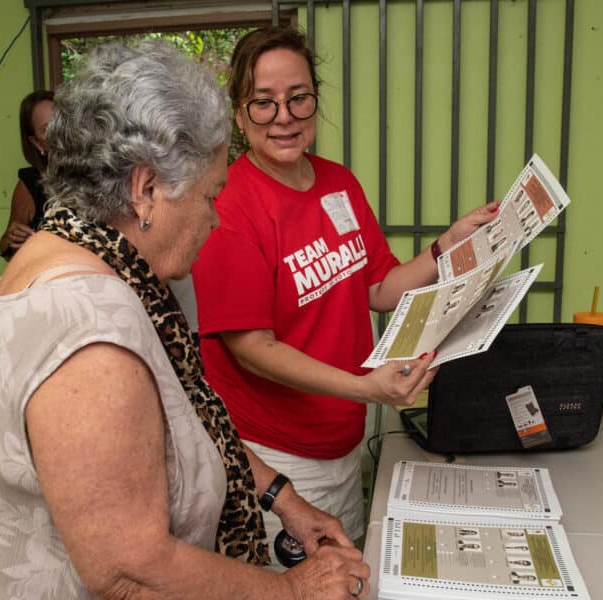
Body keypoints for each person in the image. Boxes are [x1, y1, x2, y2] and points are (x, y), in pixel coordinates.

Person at [0, 41, 369, 599]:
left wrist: (280, 497)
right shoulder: (88, 334)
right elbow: (129, 568)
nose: (215, 220)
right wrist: (294, 590)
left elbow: (183, 426)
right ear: (146, 190)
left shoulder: (81, 251)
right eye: (209, 196)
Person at [192, 27, 499, 543]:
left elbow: (378, 287)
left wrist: (447, 245)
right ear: (239, 113)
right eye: (263, 103)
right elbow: (250, 347)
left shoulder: (339, 183)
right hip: (273, 456)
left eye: (298, 98)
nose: (284, 117)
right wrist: (366, 388)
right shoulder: (231, 204)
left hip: (342, 440)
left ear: (316, 98)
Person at [0, 89, 54, 259]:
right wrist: (12, 237)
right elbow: (6, 247)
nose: (58, 132)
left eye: (60, 122)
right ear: (37, 143)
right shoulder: (31, 183)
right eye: (46, 129)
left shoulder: (102, 173)